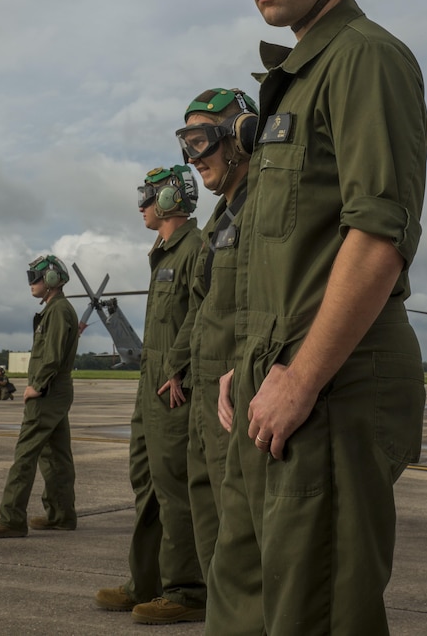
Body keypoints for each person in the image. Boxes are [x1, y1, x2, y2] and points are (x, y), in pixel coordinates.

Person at [205, 0, 427, 635]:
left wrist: (299, 377)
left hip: (331, 390)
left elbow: (378, 239)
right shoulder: (293, 83)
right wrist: (253, 357)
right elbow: (289, 253)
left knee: (314, 613)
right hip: (280, 387)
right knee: (244, 602)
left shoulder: (364, 57)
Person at [95, 165, 206, 625]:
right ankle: (146, 582)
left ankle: (187, 590)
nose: (141, 204)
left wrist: (179, 368)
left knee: (174, 489)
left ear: (169, 199)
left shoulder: (196, 249)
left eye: (148, 195)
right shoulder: (162, 252)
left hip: (172, 392)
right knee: (146, 484)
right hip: (150, 390)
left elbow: (203, 314)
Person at [173, 87, 258, 578]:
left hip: (236, 401)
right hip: (205, 399)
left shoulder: (258, 210)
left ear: (240, 138)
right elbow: (204, 308)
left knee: (240, 543)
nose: (193, 158)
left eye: (202, 141)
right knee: (209, 526)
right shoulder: (219, 220)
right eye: (186, 144)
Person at [0, 254, 79, 538]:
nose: (31, 283)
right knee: (55, 456)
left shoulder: (58, 311)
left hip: (48, 392)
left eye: (36, 277)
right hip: (56, 391)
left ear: (52, 280)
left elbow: (53, 355)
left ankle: (11, 519)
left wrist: (37, 385)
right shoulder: (56, 309)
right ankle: (61, 516)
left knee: (25, 455)